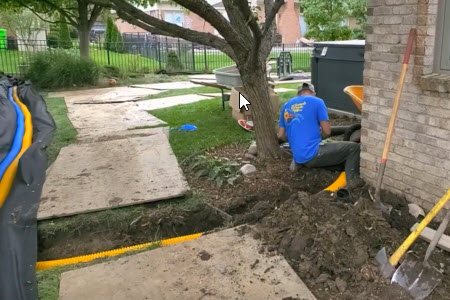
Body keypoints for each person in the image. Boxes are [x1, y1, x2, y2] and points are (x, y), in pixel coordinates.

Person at [277, 82, 361, 183]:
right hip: (313, 154)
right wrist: (319, 137)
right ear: (313, 93)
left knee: (340, 159)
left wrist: (297, 140)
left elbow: (281, 135)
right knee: (353, 148)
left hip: (298, 157)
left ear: (298, 94)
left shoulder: (286, 106)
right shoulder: (317, 102)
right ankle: (352, 184)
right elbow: (327, 131)